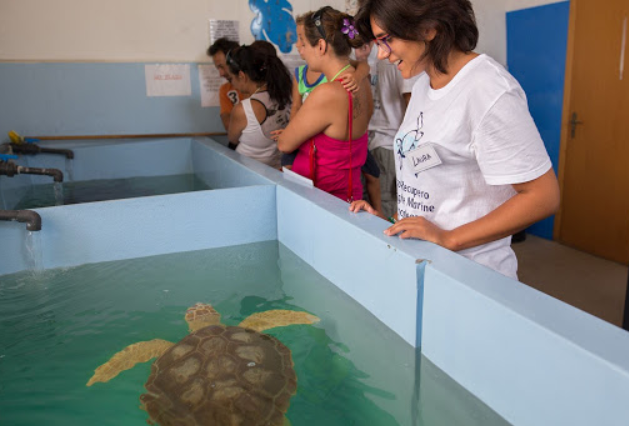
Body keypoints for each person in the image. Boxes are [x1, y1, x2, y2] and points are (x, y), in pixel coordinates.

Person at [350, 0, 560, 279]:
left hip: (472, 276)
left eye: (387, 40)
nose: (382, 54)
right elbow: (432, 183)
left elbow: (543, 196)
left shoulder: (487, 88)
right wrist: (390, 224)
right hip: (427, 266)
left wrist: (449, 238)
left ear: (428, 27)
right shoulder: (424, 83)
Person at [277, 6, 374, 202]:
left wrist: (294, 133)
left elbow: (284, 144)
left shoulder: (327, 93)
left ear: (321, 46)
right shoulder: (360, 81)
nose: (299, 47)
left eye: (303, 42)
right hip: (349, 195)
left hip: (323, 199)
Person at [354, 40, 419, 220]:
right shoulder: (377, 59)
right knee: (384, 205)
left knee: (387, 205)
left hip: (388, 142)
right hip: (382, 143)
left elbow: (412, 109)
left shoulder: (388, 60)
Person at [226, 44, 292, 169]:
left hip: (246, 171)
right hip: (276, 170)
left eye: (231, 78)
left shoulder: (244, 109)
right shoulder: (285, 95)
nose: (232, 84)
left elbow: (232, 140)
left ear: (241, 76)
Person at [207, 38, 243, 148]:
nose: (221, 73)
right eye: (218, 68)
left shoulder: (259, 85)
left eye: (222, 67)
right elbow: (229, 126)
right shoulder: (225, 89)